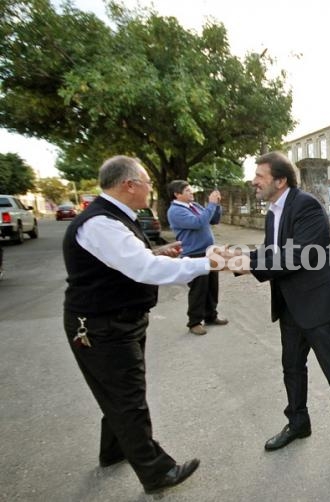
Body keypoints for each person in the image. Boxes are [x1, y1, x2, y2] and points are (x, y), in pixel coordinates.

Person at [62, 155, 221, 494]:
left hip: (116, 321)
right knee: (128, 398)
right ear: (129, 185)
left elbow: (132, 260)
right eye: (147, 182)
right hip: (103, 327)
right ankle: (156, 472)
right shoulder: (100, 223)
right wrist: (206, 263)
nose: (151, 189)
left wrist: (159, 252)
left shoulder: (116, 218)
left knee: (118, 392)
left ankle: (115, 450)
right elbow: (144, 270)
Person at [233, 151, 330, 462]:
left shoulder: (306, 205)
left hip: (319, 304)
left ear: (280, 180)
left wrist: (247, 265)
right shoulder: (272, 212)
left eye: (260, 177)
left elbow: (296, 256)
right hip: (290, 305)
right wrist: (241, 260)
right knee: (292, 368)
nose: (254, 182)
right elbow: (270, 251)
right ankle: (298, 422)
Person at [166, 180, 228, 335]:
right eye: (187, 190)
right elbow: (198, 223)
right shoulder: (175, 211)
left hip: (209, 252)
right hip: (194, 253)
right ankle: (194, 322)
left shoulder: (194, 206)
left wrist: (217, 205)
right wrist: (211, 204)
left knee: (212, 287)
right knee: (198, 289)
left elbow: (213, 219)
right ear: (177, 194)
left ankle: (211, 315)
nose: (191, 192)